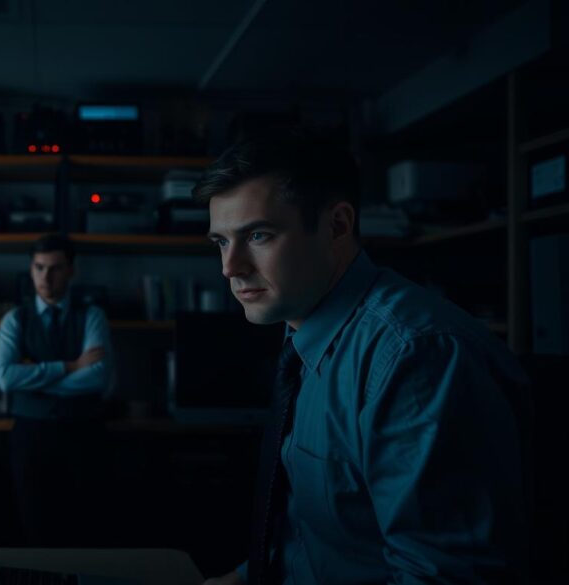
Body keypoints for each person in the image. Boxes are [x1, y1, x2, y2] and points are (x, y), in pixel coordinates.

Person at [194, 131, 530, 584]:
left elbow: (443, 578)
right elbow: (321, 531)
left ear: (337, 225)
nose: (230, 268)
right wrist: (243, 578)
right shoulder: (307, 327)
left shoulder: (413, 358)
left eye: (258, 235)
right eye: (220, 242)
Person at [0, 233, 113, 546]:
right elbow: (6, 378)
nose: (45, 277)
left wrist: (35, 379)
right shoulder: (14, 320)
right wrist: (71, 366)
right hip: (30, 436)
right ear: (31, 269)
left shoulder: (92, 316)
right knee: (34, 527)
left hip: (84, 433)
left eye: (55, 268)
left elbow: (98, 377)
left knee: (84, 526)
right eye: (39, 267)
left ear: (71, 270)